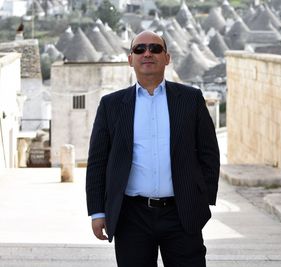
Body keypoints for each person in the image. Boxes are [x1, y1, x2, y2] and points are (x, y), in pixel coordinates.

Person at [86, 30, 220, 267]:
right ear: (130, 59)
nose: (147, 53)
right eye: (139, 49)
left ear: (167, 58)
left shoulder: (190, 99)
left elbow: (209, 153)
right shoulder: (112, 105)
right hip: (131, 216)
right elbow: (98, 162)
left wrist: (202, 200)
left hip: (182, 214)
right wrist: (97, 212)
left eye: (155, 48)